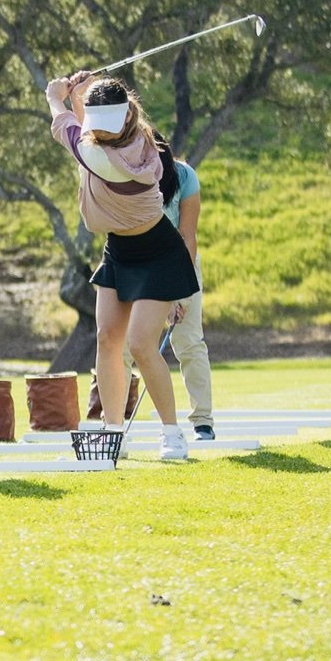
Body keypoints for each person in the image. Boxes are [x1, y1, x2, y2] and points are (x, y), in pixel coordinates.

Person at [48, 73, 193, 461]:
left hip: (158, 252)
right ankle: (114, 433)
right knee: (108, 340)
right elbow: (87, 126)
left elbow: (68, 127)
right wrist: (86, 91)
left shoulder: (109, 154)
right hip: (119, 249)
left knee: (141, 345)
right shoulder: (126, 133)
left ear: (128, 116)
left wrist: (56, 96)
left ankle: (172, 434)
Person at [165, 157, 214, 439]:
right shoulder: (127, 171)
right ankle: (114, 422)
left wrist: (181, 295)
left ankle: (203, 422)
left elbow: (188, 236)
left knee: (188, 340)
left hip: (182, 257)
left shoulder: (184, 176)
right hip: (139, 260)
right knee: (126, 344)